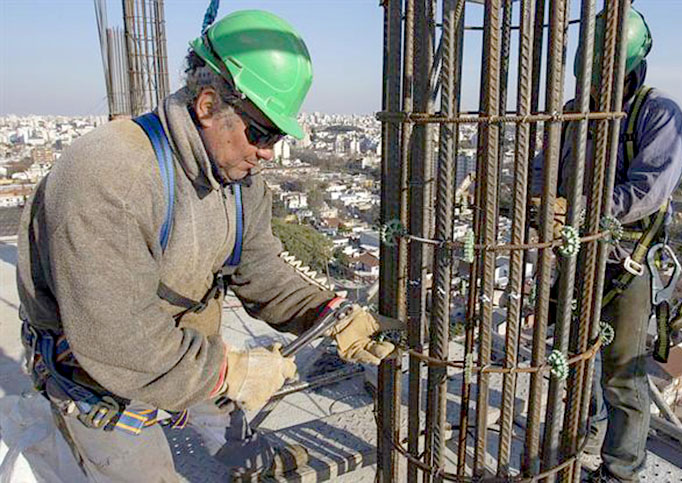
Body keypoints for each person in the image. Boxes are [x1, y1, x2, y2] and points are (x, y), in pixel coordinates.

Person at [16, 10, 400, 482]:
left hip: (185, 342)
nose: (267, 152)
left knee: (223, 407)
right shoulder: (111, 176)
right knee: (146, 472)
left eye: (277, 136)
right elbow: (117, 340)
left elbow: (260, 269)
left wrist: (326, 313)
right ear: (207, 105)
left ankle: (241, 451)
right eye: (261, 133)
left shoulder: (237, 179)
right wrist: (229, 372)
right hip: (98, 367)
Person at [531, 7, 682, 482]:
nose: (599, 87)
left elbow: (649, 190)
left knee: (622, 371)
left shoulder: (658, 114)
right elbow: (544, 166)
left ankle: (621, 470)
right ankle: (582, 433)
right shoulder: (574, 113)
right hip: (575, 254)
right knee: (574, 356)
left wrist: (579, 208)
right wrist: (542, 201)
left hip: (625, 262)